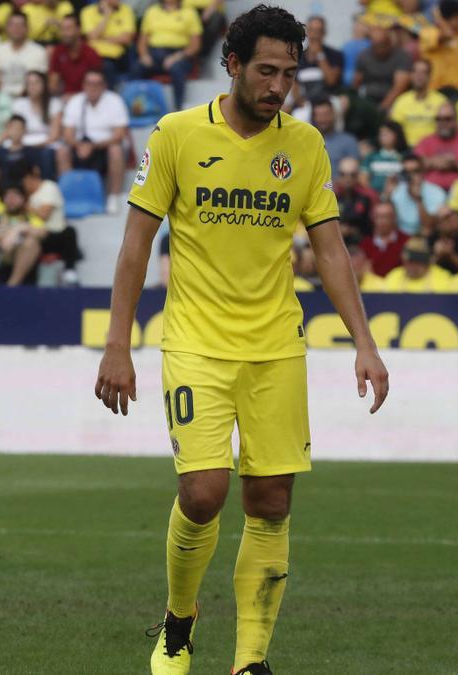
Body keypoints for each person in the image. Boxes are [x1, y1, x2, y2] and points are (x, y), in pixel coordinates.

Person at [96, 8, 390, 673]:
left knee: (271, 500)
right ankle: (179, 620)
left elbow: (332, 251)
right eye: (265, 70)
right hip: (196, 342)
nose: (277, 85)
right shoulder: (175, 135)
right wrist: (119, 342)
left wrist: (364, 342)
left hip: (275, 346)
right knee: (203, 493)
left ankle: (249, 660)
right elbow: (137, 243)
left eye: (288, 72)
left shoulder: (306, 146)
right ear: (231, 64)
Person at [58, 69, 128, 213]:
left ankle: (114, 197)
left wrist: (93, 146)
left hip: (105, 146)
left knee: (116, 150)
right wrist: (79, 146)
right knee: (62, 151)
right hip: (80, 146)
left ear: (104, 85)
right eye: (89, 83)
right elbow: (68, 133)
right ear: (83, 85)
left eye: (97, 83)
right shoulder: (76, 101)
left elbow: (119, 134)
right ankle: (68, 194)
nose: (93, 87)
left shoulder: (115, 100)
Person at [20, 158, 80, 285]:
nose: (22, 184)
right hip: (34, 235)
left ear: (30, 177)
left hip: (54, 234)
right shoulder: (26, 195)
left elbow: (44, 214)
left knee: (70, 231)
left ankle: (70, 269)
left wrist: (26, 206)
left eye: (23, 180)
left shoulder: (49, 187)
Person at [133, 0, 201, 110]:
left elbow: (195, 45)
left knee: (177, 69)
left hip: (180, 55)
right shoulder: (152, 11)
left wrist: (177, 56)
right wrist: (144, 55)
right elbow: (142, 40)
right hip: (155, 54)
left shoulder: (190, 12)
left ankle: (178, 109)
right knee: (137, 68)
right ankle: (137, 107)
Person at [413, 103, 458, 190]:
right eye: (439, 119)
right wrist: (433, 161)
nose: (443, 123)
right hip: (430, 192)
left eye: (447, 119)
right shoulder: (425, 141)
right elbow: (414, 165)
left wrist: (456, 165)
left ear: (456, 120)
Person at [388, 58, 448, 146]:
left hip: (433, 149)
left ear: (430, 76)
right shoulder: (401, 101)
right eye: (415, 72)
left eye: (423, 72)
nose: (419, 76)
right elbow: (394, 130)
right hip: (407, 150)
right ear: (411, 75)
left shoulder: (441, 101)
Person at [0, 10, 48, 98]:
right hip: (0, 99)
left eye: (20, 25)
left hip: (29, 99)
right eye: (12, 25)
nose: (16, 28)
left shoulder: (39, 52)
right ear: (6, 28)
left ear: (27, 28)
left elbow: (41, 82)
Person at [352, 20, 411, 110]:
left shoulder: (402, 56)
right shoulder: (363, 55)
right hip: (368, 96)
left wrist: (382, 108)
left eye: (382, 45)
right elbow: (356, 81)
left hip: (392, 99)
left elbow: (399, 87)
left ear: (389, 43)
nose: (379, 49)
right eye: (375, 46)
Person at [79, 0, 135, 85]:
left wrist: (102, 38)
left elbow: (127, 38)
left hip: (116, 56)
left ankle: (109, 95)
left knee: (107, 66)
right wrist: (106, 15)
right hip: (93, 54)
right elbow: (91, 36)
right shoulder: (87, 11)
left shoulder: (126, 10)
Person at [391, 154, 446, 236]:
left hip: (423, 236)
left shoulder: (437, 192)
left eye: (415, 171)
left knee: (426, 231)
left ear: (422, 171)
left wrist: (419, 200)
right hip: (400, 236)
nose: (411, 176)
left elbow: (429, 225)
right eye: (407, 172)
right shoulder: (396, 191)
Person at [49, 14, 102, 97]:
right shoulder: (58, 51)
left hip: (87, 98)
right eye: (62, 29)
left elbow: (96, 85)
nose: (64, 33)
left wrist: (75, 98)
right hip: (63, 97)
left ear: (78, 30)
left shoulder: (91, 53)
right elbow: (53, 84)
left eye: (68, 29)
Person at [378, 237, 456, 292]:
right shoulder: (394, 276)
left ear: (426, 263)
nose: (410, 266)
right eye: (408, 262)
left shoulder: (442, 277)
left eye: (415, 262)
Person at [294, 16, 342, 103]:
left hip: (328, 101)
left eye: (319, 31)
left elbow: (331, 81)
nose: (315, 35)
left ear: (324, 33)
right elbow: (294, 84)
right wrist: (300, 102)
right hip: (305, 102)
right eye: (312, 30)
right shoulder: (299, 56)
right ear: (307, 32)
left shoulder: (335, 55)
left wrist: (320, 55)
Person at [311, 98, 359, 168]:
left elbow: (354, 172)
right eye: (319, 115)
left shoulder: (348, 141)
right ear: (313, 118)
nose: (323, 119)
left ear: (334, 115)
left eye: (326, 114)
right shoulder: (307, 142)